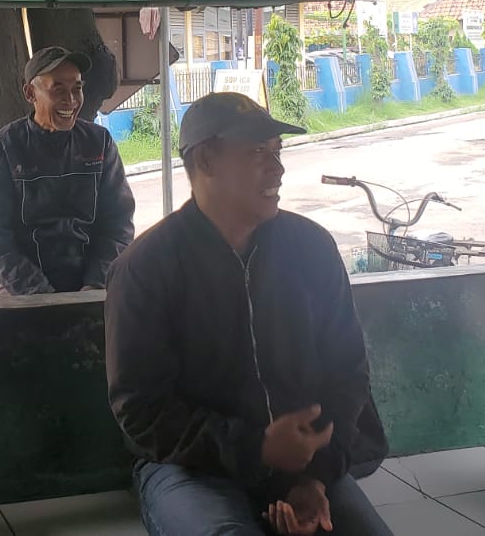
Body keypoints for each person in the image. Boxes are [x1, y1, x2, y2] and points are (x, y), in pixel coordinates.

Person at [105, 92, 393, 536]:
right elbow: (142, 410)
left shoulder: (311, 248)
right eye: (258, 152)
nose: (278, 169)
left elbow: (348, 371)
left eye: (278, 151)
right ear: (206, 160)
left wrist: (315, 476)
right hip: (190, 466)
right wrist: (257, 448)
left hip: (305, 460)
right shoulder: (146, 267)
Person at [0, 46, 136, 295]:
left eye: (77, 88)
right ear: (30, 93)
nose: (70, 100)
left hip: (92, 287)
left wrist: (96, 283)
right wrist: (37, 293)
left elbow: (118, 222)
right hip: (24, 291)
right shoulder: (3, 149)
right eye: (57, 88)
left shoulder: (99, 143)